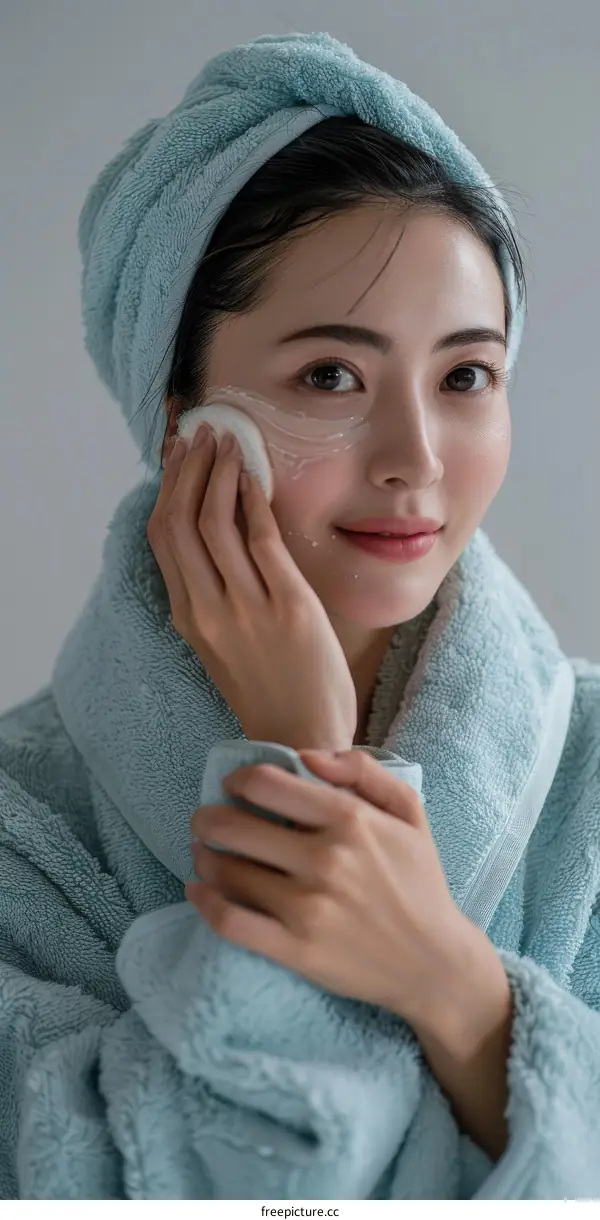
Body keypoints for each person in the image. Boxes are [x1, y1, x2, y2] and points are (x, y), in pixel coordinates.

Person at [1, 31, 599, 1201]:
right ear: (181, 421)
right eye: (332, 374)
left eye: (466, 375)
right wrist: (306, 765)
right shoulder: (25, 833)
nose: (416, 459)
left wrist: (454, 983)